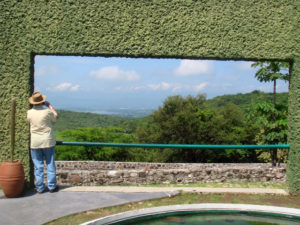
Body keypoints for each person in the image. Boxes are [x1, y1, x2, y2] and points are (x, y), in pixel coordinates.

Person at [27, 92, 59, 193]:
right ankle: (52, 186)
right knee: (50, 164)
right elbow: (56, 117)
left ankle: (40, 187)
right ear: (42, 101)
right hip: (47, 141)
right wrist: (50, 106)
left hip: (35, 142)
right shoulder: (47, 111)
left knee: (38, 166)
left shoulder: (29, 112)